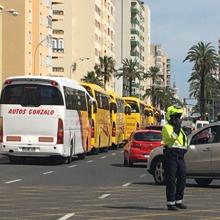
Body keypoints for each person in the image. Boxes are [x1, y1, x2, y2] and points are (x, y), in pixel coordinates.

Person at [162, 105, 189, 211]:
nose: (177, 119)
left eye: (178, 117)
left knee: (182, 178)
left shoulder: (179, 128)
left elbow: (183, 142)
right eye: (175, 117)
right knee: (171, 179)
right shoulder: (167, 127)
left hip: (180, 155)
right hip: (171, 154)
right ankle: (170, 203)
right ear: (170, 117)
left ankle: (178, 201)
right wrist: (177, 129)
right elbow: (172, 138)